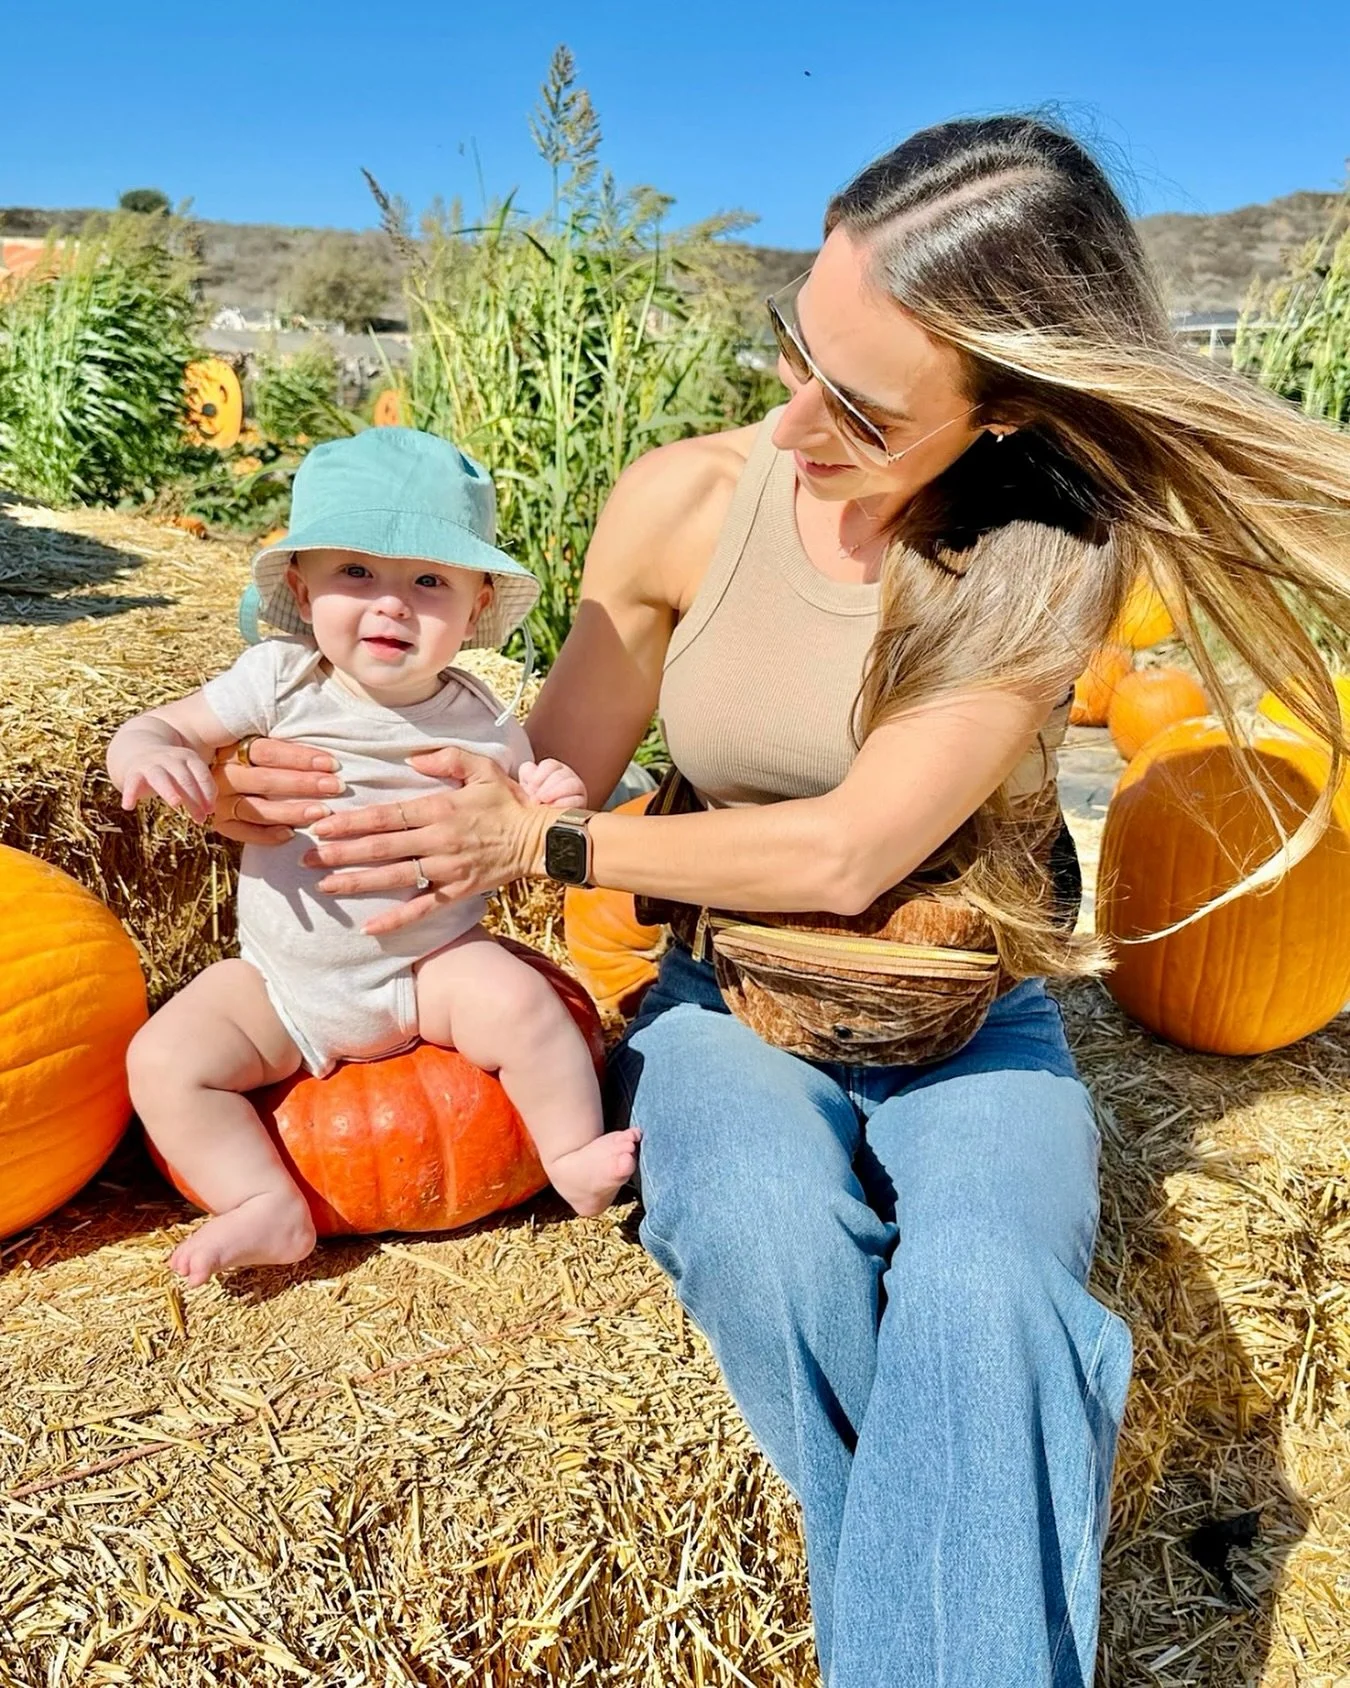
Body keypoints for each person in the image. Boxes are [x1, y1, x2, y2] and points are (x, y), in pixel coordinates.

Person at [206, 118, 1350, 1686]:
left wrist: (552, 854)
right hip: (720, 992)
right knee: (763, 1236)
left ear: (1001, 407)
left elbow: (847, 851)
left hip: (970, 1014)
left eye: (865, 410)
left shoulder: (1047, 551)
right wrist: (291, 771)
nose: (797, 420)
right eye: (796, 346)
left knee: (993, 1289)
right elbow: (543, 768)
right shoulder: (682, 500)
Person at [109, 428, 639, 1288]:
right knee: (163, 1060)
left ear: (474, 610)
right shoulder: (278, 679)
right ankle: (261, 1204)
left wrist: (549, 795)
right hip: (282, 985)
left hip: (428, 967)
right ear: (300, 585)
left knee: (525, 1008)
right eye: (355, 572)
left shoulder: (484, 715)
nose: (391, 603)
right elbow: (159, 726)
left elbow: (525, 807)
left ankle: (572, 1153)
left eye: (430, 582)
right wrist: (149, 753)